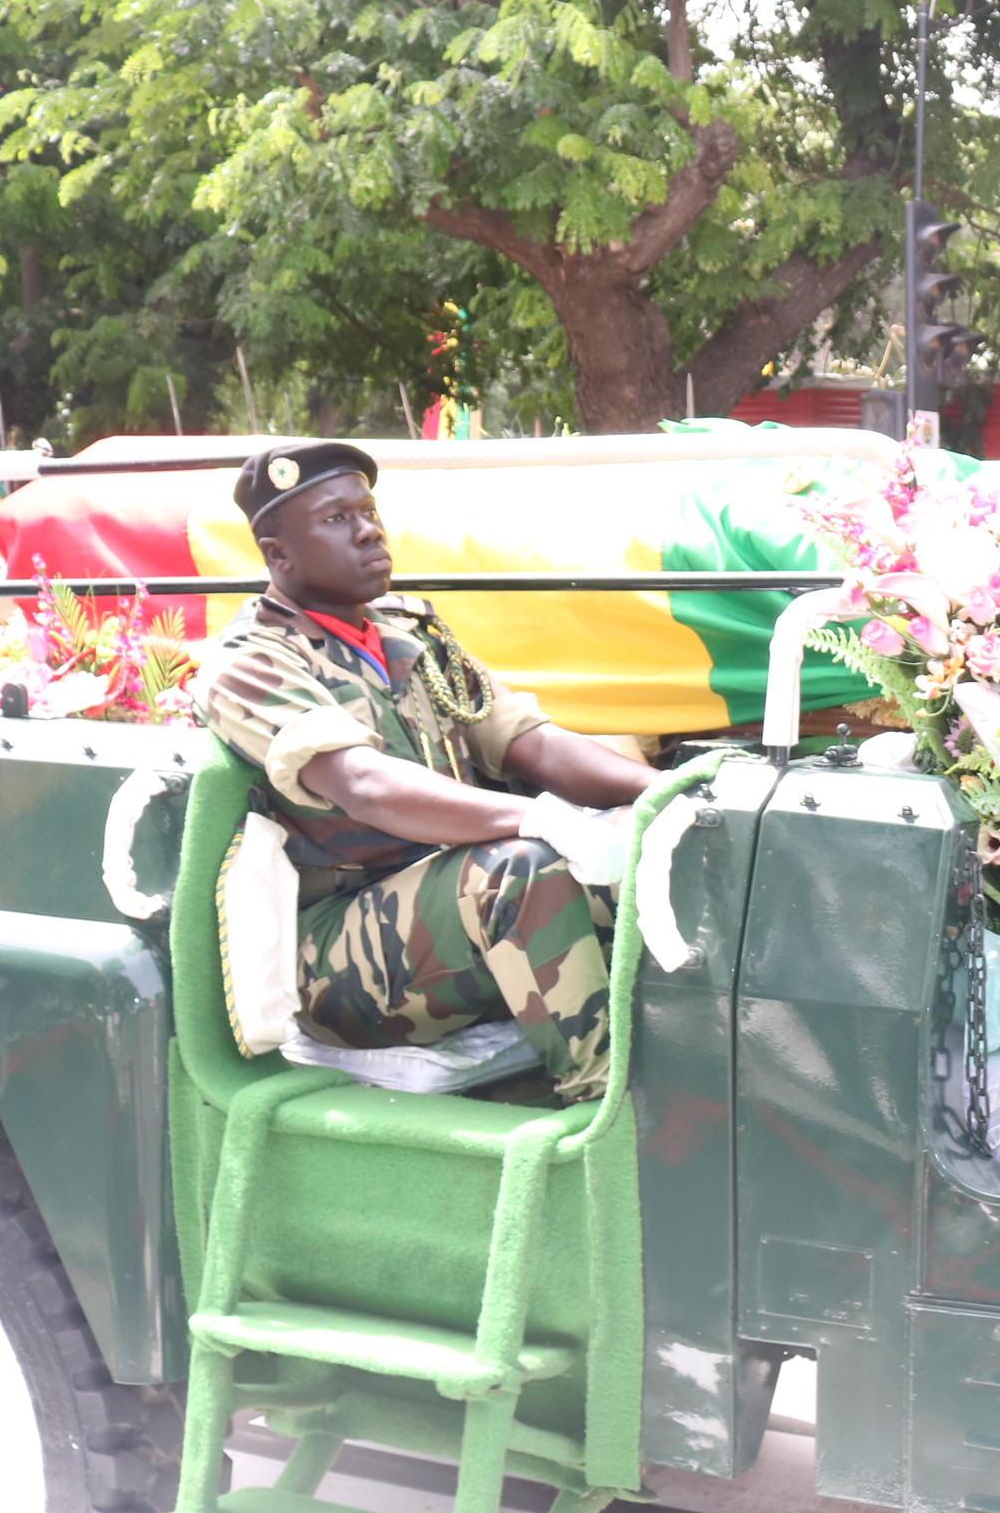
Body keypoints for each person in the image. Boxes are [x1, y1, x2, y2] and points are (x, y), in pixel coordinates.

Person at [192, 441, 672, 1104]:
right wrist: (543, 818)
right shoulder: (251, 665)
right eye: (336, 519)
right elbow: (363, 784)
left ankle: (691, 1080)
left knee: (652, 861)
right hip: (338, 962)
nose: (367, 529)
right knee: (522, 869)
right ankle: (609, 1109)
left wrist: (666, 797)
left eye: (368, 510)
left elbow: (530, 745)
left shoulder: (408, 629)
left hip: (452, 903)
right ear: (278, 555)